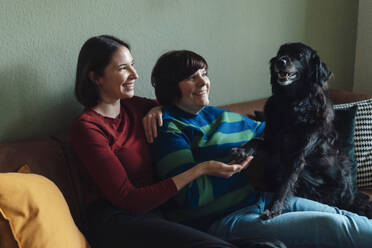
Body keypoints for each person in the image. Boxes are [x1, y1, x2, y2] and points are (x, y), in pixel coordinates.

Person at [70, 35, 282, 248]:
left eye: (132, 65)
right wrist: (199, 170)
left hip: (156, 211)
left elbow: (175, 102)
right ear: (96, 77)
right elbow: (127, 198)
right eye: (123, 68)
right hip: (117, 218)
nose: (135, 74)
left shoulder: (135, 106)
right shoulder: (87, 127)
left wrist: (157, 108)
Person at [150, 49, 372, 248]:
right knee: (336, 225)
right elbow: (187, 195)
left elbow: (275, 132)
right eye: (192, 77)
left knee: (349, 217)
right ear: (172, 86)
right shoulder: (169, 128)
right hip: (224, 220)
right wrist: (235, 171)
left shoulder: (219, 115)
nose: (203, 82)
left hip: (262, 201)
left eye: (204, 73)